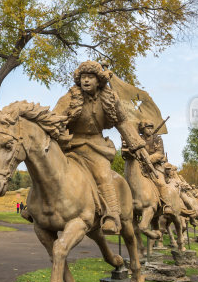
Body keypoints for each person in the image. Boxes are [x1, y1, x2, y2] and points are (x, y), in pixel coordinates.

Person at [52, 60, 151, 234]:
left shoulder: (110, 98)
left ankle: (112, 216)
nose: (86, 81)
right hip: (70, 145)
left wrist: (137, 145)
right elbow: (53, 119)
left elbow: (123, 122)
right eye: (83, 77)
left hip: (96, 147)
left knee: (104, 175)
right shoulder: (70, 97)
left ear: (99, 80)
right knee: (49, 168)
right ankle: (34, 206)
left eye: (90, 77)